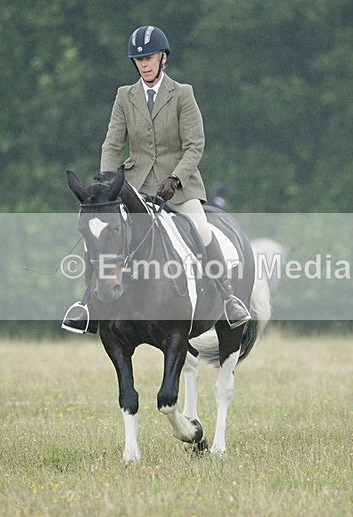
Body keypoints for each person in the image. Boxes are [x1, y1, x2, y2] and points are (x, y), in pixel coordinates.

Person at [62, 25, 251, 334]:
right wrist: (109, 182)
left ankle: (228, 297)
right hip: (133, 186)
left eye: (149, 58)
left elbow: (195, 145)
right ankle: (88, 305)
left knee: (202, 230)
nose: (144, 65)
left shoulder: (182, 93)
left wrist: (175, 178)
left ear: (163, 58)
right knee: (102, 233)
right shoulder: (125, 96)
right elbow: (112, 144)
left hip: (178, 187)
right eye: (139, 60)